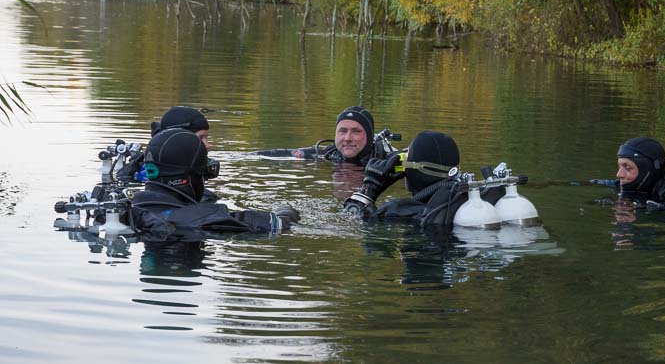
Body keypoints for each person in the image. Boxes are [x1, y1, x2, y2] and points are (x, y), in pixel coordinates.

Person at [125, 128, 299, 239]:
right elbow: (282, 222)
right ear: (189, 177)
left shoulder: (129, 208)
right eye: (204, 175)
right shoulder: (208, 218)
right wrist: (288, 208)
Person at [342, 130, 506, 226]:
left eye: (406, 161)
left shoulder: (397, 210)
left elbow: (350, 221)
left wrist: (371, 187)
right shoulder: (466, 197)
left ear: (418, 170)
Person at [256, 106, 393, 167]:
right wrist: (243, 156)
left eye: (356, 131)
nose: (347, 138)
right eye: (342, 131)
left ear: (369, 136)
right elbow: (282, 153)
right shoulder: (327, 154)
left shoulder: (387, 159)